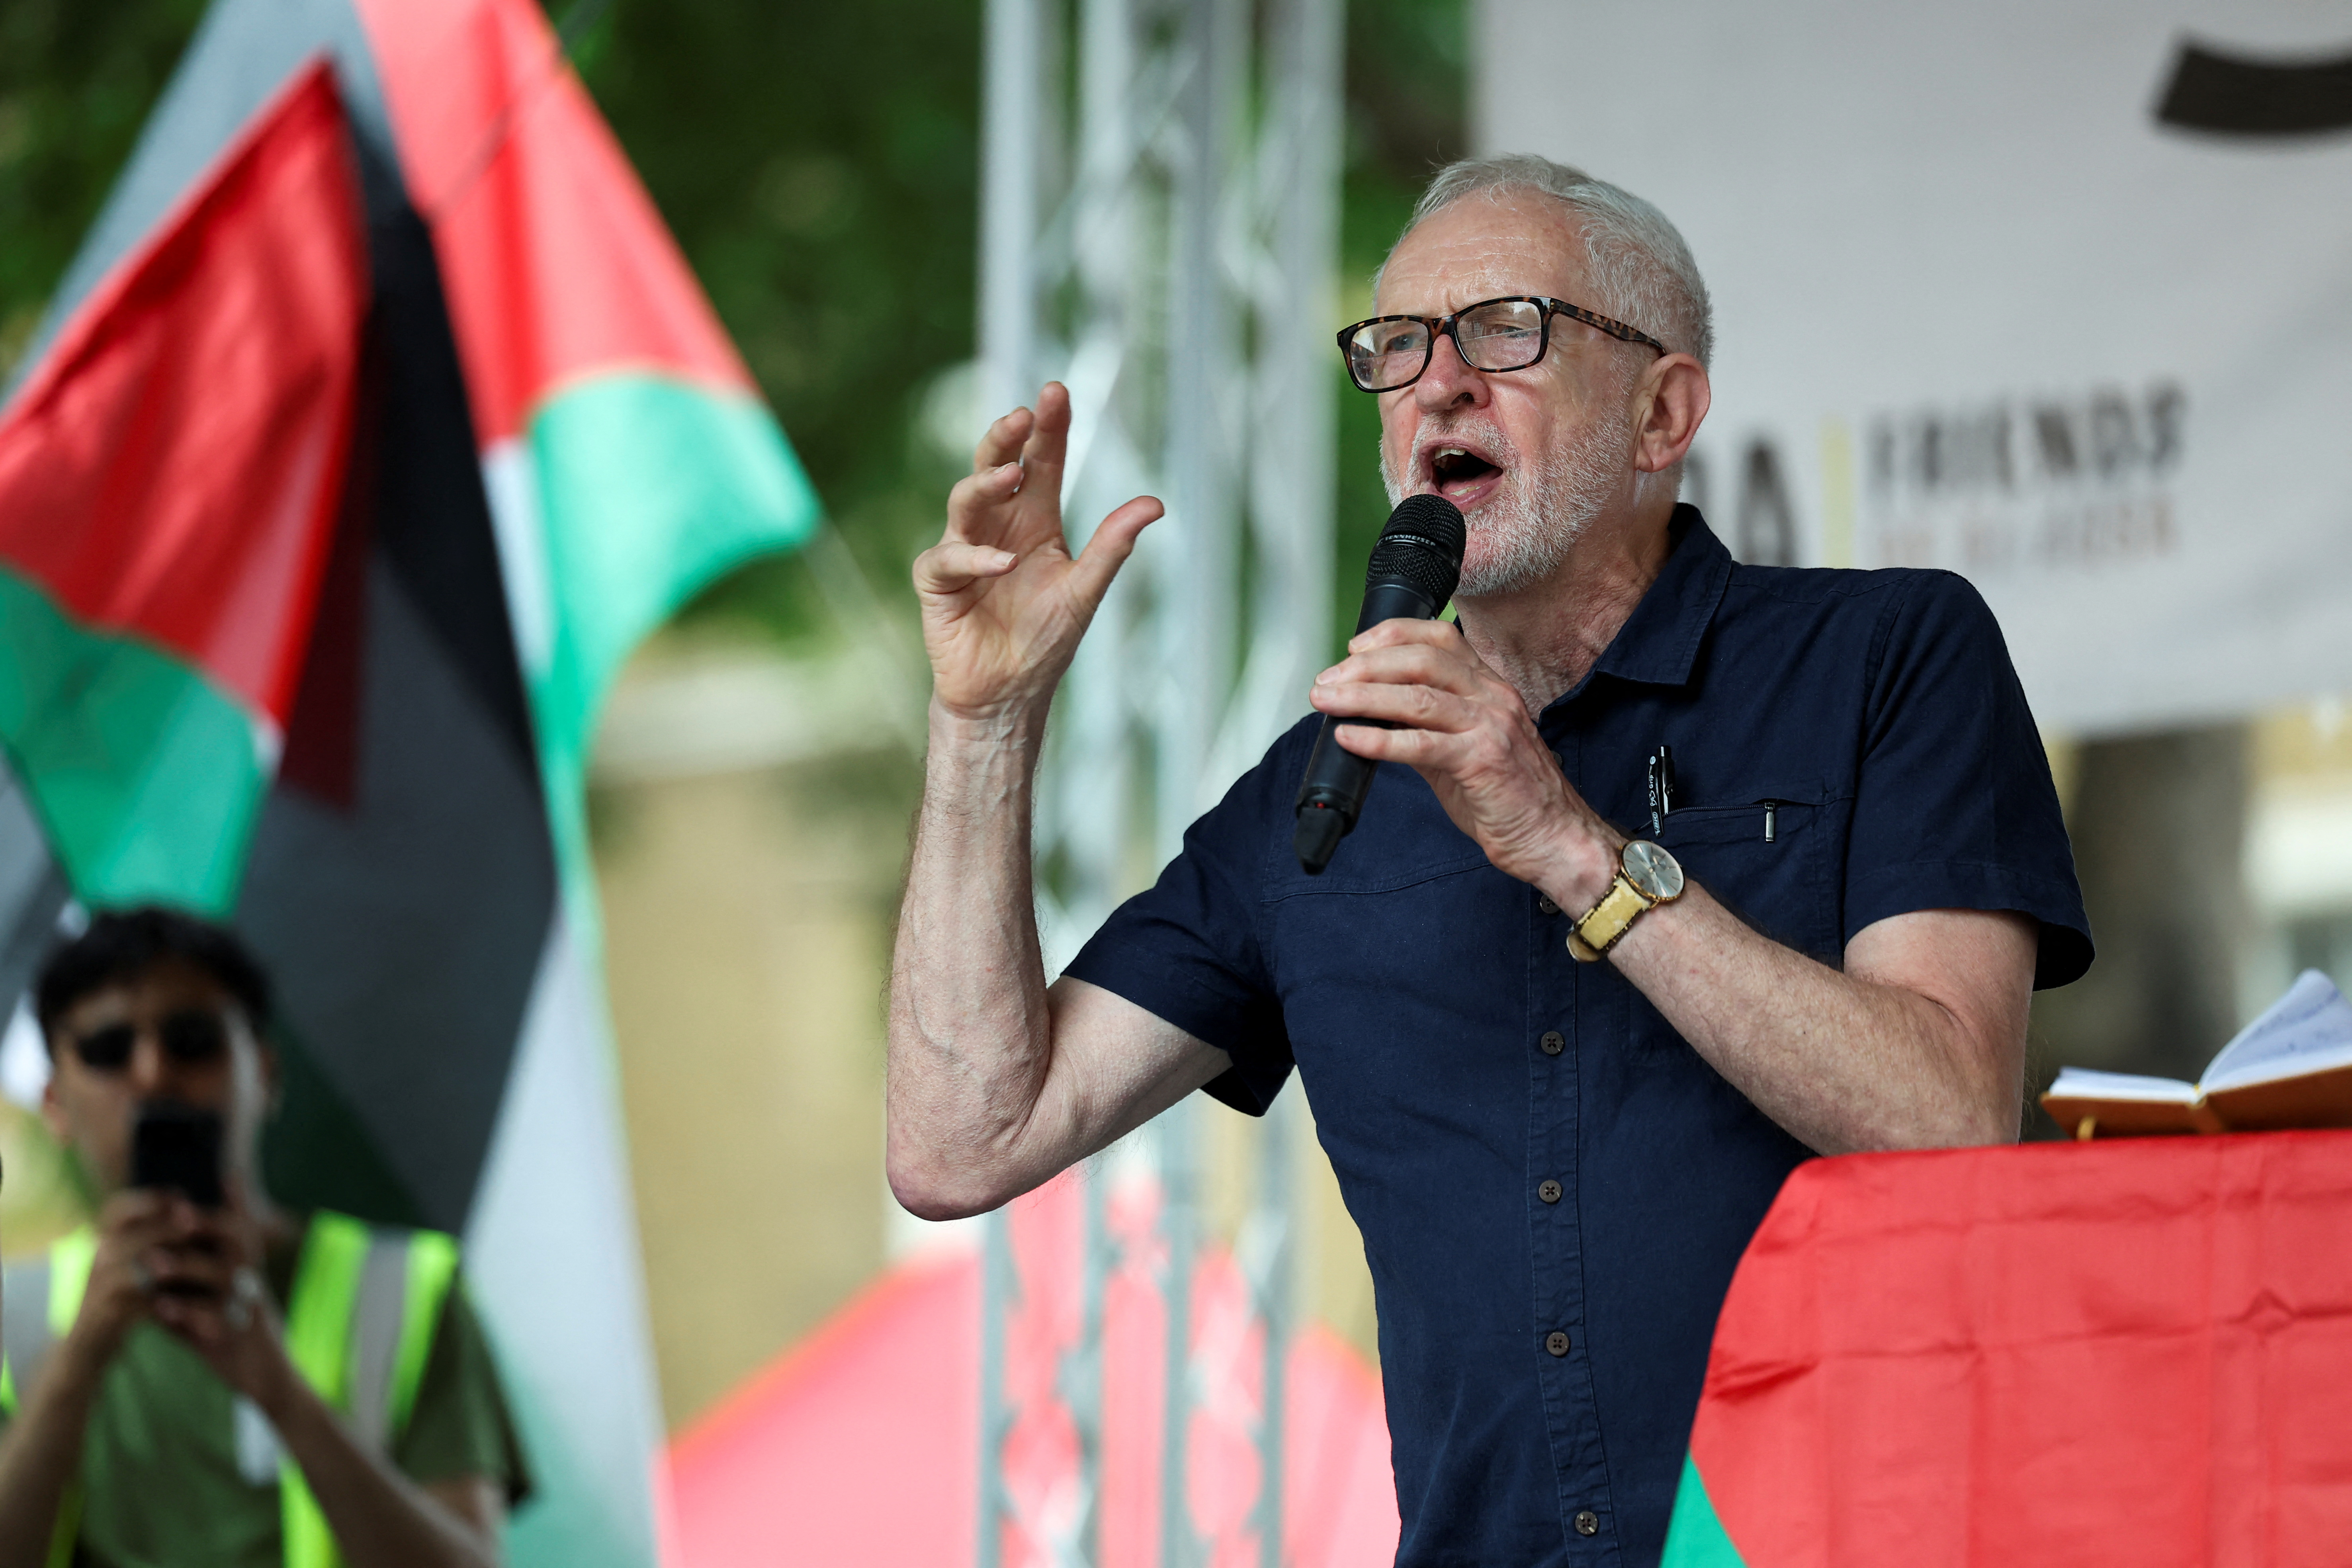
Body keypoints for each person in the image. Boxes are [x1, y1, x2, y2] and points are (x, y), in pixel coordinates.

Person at [887, 154, 2092, 1565]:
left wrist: (1572, 849)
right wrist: (985, 722)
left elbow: (1949, 1125)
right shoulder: (1316, 789)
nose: (1435, 382)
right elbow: (959, 1142)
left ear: (1662, 411)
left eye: (1506, 327)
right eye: (1394, 345)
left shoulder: (1883, 655)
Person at [0, 907, 528, 1568]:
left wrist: (282, 1389)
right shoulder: (11, 1324)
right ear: (53, 1101)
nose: (153, 1075)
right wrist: (76, 1362)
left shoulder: (405, 1294)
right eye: (108, 1049)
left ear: (267, 1072)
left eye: (193, 1039)